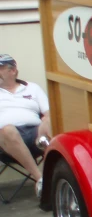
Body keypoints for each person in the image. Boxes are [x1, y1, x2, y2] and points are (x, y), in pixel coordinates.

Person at [0, 54, 51, 198]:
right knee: (8, 130)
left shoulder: (32, 88)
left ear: (13, 71)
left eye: (0, 68)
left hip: (36, 134)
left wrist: (46, 122)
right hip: (6, 138)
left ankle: (53, 175)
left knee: (50, 121)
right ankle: (40, 179)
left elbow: (48, 112)